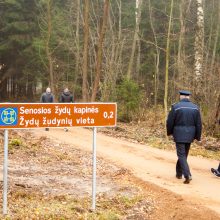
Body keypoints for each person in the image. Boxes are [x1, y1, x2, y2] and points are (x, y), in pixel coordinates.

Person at [166, 90, 202, 184]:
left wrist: (169, 132)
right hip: (190, 135)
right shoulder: (195, 108)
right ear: (188, 97)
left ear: (181, 96)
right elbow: (199, 124)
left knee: (181, 155)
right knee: (183, 155)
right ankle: (179, 173)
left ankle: (187, 174)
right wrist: (197, 136)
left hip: (178, 134)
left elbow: (170, 122)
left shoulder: (176, 106)